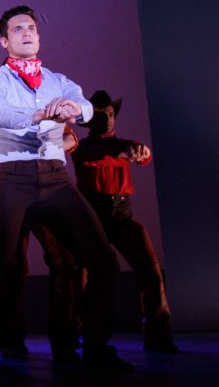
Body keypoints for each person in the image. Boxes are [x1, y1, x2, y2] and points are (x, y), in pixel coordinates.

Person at [0, 5, 131, 374]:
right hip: (11, 176)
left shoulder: (58, 80)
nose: (27, 33)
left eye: (31, 28)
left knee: (102, 259)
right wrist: (42, 114)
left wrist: (74, 110)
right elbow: (2, 115)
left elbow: (87, 108)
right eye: (17, 29)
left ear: (38, 36)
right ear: (4, 40)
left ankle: (97, 349)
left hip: (55, 177)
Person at [73, 89, 177, 352]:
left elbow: (142, 155)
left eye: (110, 114)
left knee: (149, 267)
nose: (108, 119)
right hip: (93, 213)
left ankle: (158, 335)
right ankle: (84, 334)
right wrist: (126, 152)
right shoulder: (83, 147)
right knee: (84, 274)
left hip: (121, 212)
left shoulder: (124, 144)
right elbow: (100, 156)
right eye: (101, 115)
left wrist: (140, 152)